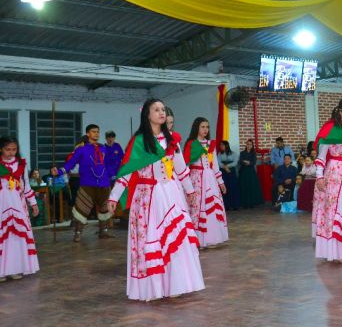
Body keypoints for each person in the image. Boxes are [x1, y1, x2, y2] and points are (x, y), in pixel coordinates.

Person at [106, 98, 204, 301]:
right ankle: (151, 288)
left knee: (176, 239)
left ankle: (175, 284)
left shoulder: (171, 141)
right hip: (147, 197)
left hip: (170, 193)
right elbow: (126, 171)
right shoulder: (139, 141)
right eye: (156, 109)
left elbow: (181, 168)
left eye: (162, 109)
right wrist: (114, 196)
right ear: (147, 114)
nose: (161, 112)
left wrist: (191, 191)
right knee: (149, 241)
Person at [312, 96, 342, 262]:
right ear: (340, 111)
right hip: (335, 174)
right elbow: (321, 156)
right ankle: (338, 253)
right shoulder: (330, 128)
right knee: (336, 211)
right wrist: (319, 176)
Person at [51, 124, 113, 242]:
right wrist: (58, 171)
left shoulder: (104, 148)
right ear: (88, 134)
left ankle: (103, 231)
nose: (96, 134)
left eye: (98, 132)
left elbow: (110, 165)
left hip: (104, 183)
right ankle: (78, 233)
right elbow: (70, 164)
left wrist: (118, 173)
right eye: (94, 132)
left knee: (105, 208)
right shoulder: (81, 149)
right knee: (81, 209)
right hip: (87, 184)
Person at [184, 117, 228, 249]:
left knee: (211, 207)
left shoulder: (211, 144)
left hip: (210, 179)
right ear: (196, 128)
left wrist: (220, 182)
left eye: (207, 127)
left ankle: (211, 239)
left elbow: (215, 165)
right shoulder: (191, 144)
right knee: (197, 207)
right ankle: (198, 239)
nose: (205, 130)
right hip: (196, 179)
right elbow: (185, 163)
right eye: (203, 127)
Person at [0, 136, 39, 282]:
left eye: (14, 149)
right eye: (7, 149)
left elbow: (27, 186)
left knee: (17, 237)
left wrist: (33, 203)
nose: (11, 152)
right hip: (1, 206)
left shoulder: (21, 165)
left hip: (17, 205)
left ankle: (15, 268)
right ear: (1, 149)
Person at [238, 139, 264, 208]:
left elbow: (254, 162)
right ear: (246, 145)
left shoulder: (253, 153)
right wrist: (247, 162)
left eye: (250, 144)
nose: (248, 145)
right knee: (244, 187)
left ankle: (252, 203)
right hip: (243, 171)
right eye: (247, 144)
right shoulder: (242, 153)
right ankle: (245, 203)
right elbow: (240, 161)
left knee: (251, 187)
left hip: (251, 171)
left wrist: (248, 162)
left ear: (252, 146)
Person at [218, 140, 240, 211]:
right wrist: (224, 167)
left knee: (233, 187)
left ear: (226, 146)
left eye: (222, 145)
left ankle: (235, 205)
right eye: (220, 145)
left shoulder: (233, 153)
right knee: (225, 187)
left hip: (231, 171)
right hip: (223, 172)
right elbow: (218, 162)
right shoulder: (219, 154)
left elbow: (235, 162)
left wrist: (227, 166)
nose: (221, 146)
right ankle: (226, 205)